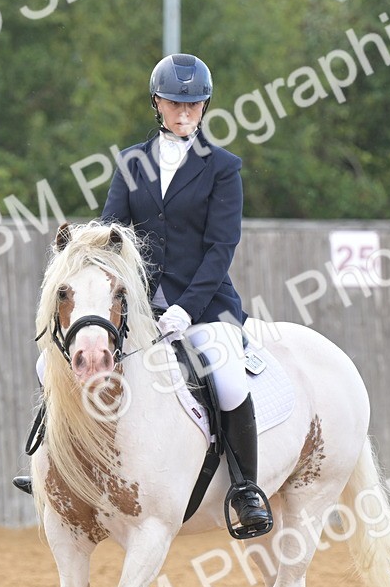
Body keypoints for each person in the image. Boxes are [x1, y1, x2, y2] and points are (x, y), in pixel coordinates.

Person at [14, 54, 271, 537]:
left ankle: (245, 488)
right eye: (175, 103)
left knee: (228, 377)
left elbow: (221, 249)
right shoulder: (132, 163)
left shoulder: (223, 168)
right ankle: (56, 464)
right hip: (137, 305)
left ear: (205, 106)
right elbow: (113, 234)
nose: (185, 113)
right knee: (54, 362)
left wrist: (186, 309)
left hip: (206, 303)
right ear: (157, 103)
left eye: (194, 105)